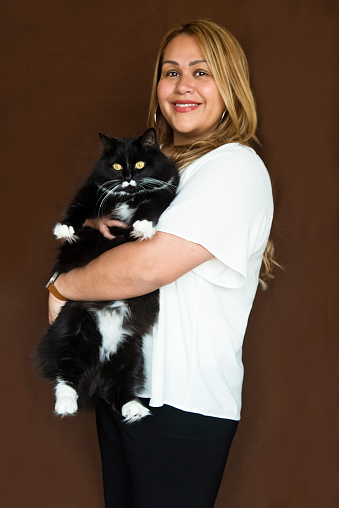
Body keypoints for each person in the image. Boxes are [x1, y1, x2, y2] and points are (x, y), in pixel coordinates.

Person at [47, 19, 274, 508]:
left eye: (201, 71)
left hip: (181, 406)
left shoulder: (233, 165)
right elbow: (102, 240)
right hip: (127, 387)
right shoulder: (163, 171)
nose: (183, 85)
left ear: (230, 85)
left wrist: (62, 288)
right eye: (171, 72)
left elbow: (147, 267)